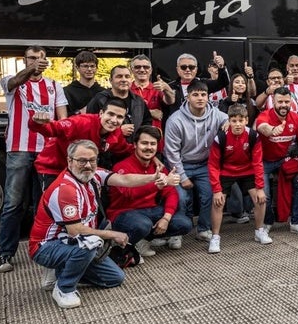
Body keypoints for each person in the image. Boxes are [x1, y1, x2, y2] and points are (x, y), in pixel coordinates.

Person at [29, 139, 179, 309]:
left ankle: (62, 270)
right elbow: (75, 230)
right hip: (47, 246)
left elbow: (125, 180)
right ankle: (64, 288)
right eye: (82, 161)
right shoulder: (66, 189)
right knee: (90, 243)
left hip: (74, 241)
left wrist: (153, 177)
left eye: (92, 160)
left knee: (115, 278)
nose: (88, 165)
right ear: (69, 161)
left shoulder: (95, 175)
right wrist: (113, 234)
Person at [0, 46, 68, 273]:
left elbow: (62, 118)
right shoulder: (14, 80)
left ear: (46, 61)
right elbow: (11, 83)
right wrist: (29, 70)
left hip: (46, 149)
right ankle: (5, 254)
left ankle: (43, 248)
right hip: (18, 148)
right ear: (24, 59)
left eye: (40, 58)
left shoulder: (55, 85)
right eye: (31, 58)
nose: (36, 61)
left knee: (43, 202)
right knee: (12, 203)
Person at [164, 79, 229, 244]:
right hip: (180, 164)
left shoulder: (216, 114)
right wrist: (183, 176)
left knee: (210, 195)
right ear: (188, 96)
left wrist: (227, 122)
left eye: (203, 94)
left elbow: (228, 118)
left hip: (204, 164)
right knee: (180, 197)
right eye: (195, 95)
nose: (200, 98)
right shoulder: (175, 120)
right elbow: (171, 153)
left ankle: (203, 229)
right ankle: (176, 232)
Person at [110, 126, 192, 258]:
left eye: (153, 144)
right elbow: (129, 194)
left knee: (185, 224)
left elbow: (171, 193)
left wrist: (166, 218)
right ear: (135, 145)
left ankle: (144, 239)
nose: (149, 147)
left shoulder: (157, 167)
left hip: (150, 210)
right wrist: (158, 184)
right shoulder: (121, 167)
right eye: (144, 143)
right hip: (123, 212)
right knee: (143, 225)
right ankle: (124, 243)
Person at [208, 104, 272, 251]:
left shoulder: (253, 135)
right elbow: (213, 165)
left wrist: (260, 188)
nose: (237, 124)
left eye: (241, 120)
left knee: (261, 199)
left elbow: (257, 162)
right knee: (217, 202)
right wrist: (217, 190)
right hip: (226, 172)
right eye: (234, 120)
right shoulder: (221, 137)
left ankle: (259, 231)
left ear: (246, 120)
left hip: (247, 170)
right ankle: (215, 237)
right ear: (229, 121)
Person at [30, 99, 134, 188]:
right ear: (101, 113)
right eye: (110, 114)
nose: (114, 120)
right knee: (50, 207)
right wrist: (37, 123)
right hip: (52, 169)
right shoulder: (81, 122)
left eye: (119, 117)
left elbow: (125, 149)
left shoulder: (116, 133)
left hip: (79, 173)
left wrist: (145, 151)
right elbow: (54, 129)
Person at [255, 87, 298, 236]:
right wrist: (272, 130)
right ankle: (267, 222)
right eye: (280, 101)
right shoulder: (264, 115)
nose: (283, 105)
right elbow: (261, 127)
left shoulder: (296, 118)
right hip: (264, 161)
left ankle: (296, 221)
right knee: (264, 194)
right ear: (273, 101)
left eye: (287, 101)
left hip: (284, 160)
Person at [86, 65, 152, 142]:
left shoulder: (139, 101)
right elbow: (90, 127)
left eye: (127, 76)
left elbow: (147, 122)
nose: (124, 80)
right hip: (106, 150)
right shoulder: (99, 99)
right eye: (119, 76)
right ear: (111, 80)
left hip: (132, 150)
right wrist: (118, 131)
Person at [164, 51, 230, 118]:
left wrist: (221, 66)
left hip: (201, 124)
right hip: (178, 125)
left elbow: (223, 82)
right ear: (178, 69)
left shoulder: (203, 83)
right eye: (183, 67)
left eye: (191, 67)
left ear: (196, 69)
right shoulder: (169, 87)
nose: (187, 70)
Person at [129, 54, 175, 133]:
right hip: (134, 135)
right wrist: (150, 112)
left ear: (150, 70)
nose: (142, 70)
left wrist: (167, 88)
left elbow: (170, 101)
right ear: (131, 70)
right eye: (137, 67)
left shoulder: (157, 88)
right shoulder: (127, 89)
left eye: (146, 67)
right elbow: (123, 111)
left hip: (155, 136)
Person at [63, 51, 104, 116]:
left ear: (96, 68)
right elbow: (62, 117)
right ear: (77, 68)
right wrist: (79, 112)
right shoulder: (67, 92)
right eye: (85, 66)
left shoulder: (103, 92)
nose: (89, 69)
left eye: (92, 66)